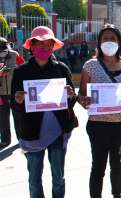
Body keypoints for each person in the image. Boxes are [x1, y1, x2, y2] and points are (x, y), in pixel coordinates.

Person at [11, 26, 77, 198]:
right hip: (32, 132)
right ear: (31, 46)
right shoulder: (20, 72)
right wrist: (18, 101)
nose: (44, 48)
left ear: (53, 47)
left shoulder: (62, 69)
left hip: (58, 131)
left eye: (48, 44)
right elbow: (15, 105)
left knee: (59, 177)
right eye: (39, 44)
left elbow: (71, 101)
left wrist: (70, 95)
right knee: (34, 179)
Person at [78, 24, 121, 198]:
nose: (109, 41)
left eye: (113, 38)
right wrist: (84, 101)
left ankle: (117, 194)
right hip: (97, 125)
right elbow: (81, 94)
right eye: (105, 38)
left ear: (120, 43)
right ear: (99, 43)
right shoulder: (90, 65)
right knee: (98, 166)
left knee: (117, 165)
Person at [0, 37, 20, 148]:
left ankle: (20, 137)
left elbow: (23, 68)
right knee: (3, 118)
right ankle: (5, 140)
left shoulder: (14, 54)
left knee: (18, 115)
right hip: (1, 93)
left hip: (15, 91)